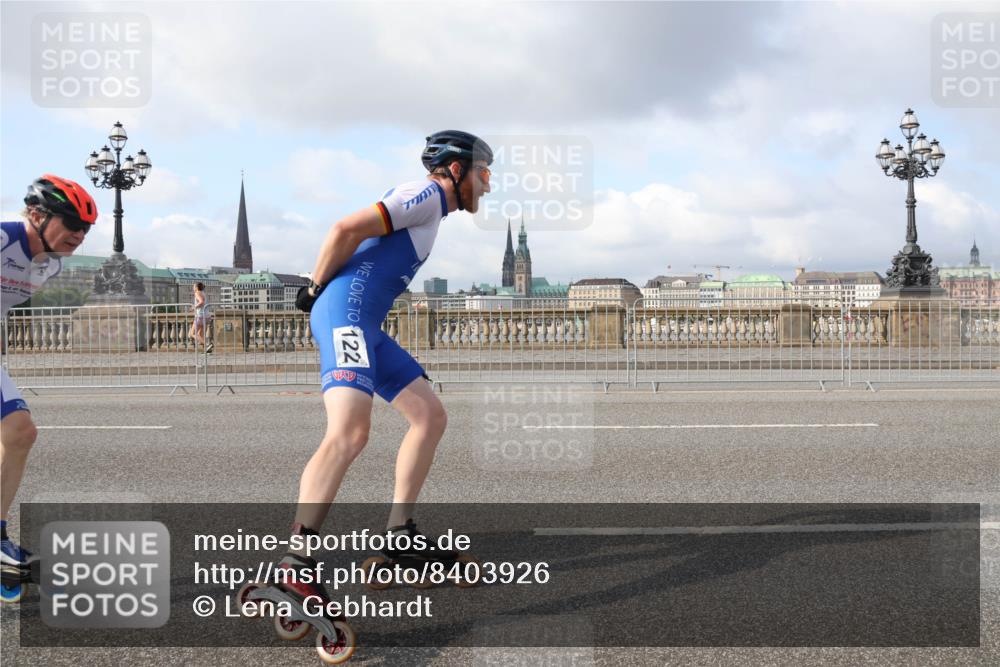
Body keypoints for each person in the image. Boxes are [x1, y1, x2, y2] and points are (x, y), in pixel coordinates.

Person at [279, 131, 493, 588]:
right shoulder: (426, 193)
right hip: (346, 319)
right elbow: (344, 229)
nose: (488, 185)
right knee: (350, 433)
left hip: (366, 326)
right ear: (456, 170)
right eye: (483, 172)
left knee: (429, 416)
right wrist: (315, 289)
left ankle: (399, 535)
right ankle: (297, 562)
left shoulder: (434, 206)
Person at [1, 175, 97, 594]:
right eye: (71, 223)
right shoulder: (3, 239)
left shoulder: (51, 264)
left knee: (20, 434)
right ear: (37, 215)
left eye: (85, 229)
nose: (78, 234)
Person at [189, 282, 212, 353]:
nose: (193, 288)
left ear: (196, 287)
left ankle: (208, 344)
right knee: (200, 335)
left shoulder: (197, 293)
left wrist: (193, 307)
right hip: (206, 316)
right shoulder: (203, 293)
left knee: (192, 333)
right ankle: (208, 349)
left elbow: (201, 302)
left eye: (193, 286)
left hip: (200, 316)